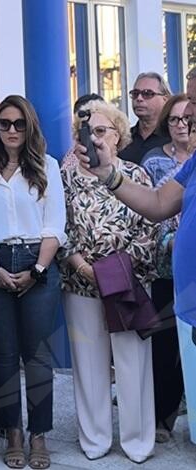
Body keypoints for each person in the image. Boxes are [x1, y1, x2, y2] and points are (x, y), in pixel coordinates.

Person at [0, 95, 66, 470]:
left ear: (30, 127)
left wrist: (38, 270)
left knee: (38, 355)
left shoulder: (48, 166)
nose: (11, 130)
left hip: (37, 261)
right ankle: (12, 430)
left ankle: (38, 434)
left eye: (18, 124)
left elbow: (55, 225)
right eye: (4, 124)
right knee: (5, 356)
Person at [61, 101, 158, 463]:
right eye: (88, 132)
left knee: (133, 362)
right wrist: (86, 268)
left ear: (119, 137)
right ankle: (95, 439)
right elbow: (60, 228)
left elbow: (150, 225)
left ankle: (138, 441)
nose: (95, 138)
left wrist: (119, 270)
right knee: (89, 364)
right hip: (80, 283)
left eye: (103, 131)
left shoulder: (137, 174)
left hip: (129, 282)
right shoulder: (65, 178)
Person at [140, 93, 191, 443]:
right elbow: (156, 205)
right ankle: (164, 417)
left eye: (189, 117)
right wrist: (110, 174)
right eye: (174, 119)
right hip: (169, 272)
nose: (182, 123)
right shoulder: (161, 162)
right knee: (167, 347)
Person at [118, 72, 171, 164]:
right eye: (135, 93)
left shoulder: (174, 136)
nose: (139, 98)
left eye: (147, 94)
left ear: (165, 99)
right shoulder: (123, 137)